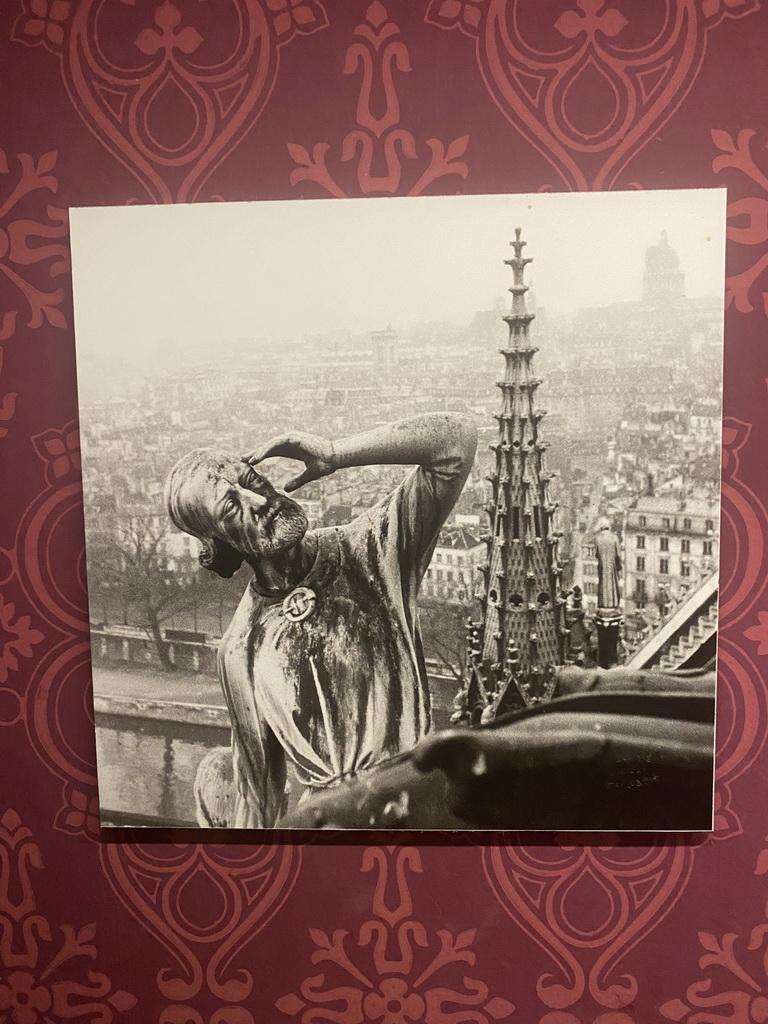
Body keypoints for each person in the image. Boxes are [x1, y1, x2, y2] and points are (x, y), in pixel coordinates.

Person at [165, 413, 477, 827]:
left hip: (421, 811)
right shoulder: (239, 649)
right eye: (231, 505)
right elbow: (259, 798)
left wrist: (335, 454)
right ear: (218, 542)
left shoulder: (370, 548)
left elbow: (456, 440)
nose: (259, 501)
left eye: (252, 479)